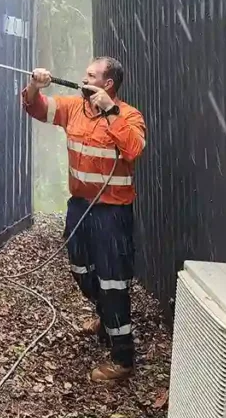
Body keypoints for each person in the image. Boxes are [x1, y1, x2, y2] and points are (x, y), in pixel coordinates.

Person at [21, 56, 146, 382]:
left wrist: (111, 113)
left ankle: (122, 358)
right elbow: (35, 108)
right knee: (81, 270)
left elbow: (133, 149)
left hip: (112, 213)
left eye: (90, 75)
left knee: (113, 283)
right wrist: (35, 85)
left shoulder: (130, 116)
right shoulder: (73, 108)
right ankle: (105, 316)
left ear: (107, 84)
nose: (82, 78)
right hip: (80, 207)